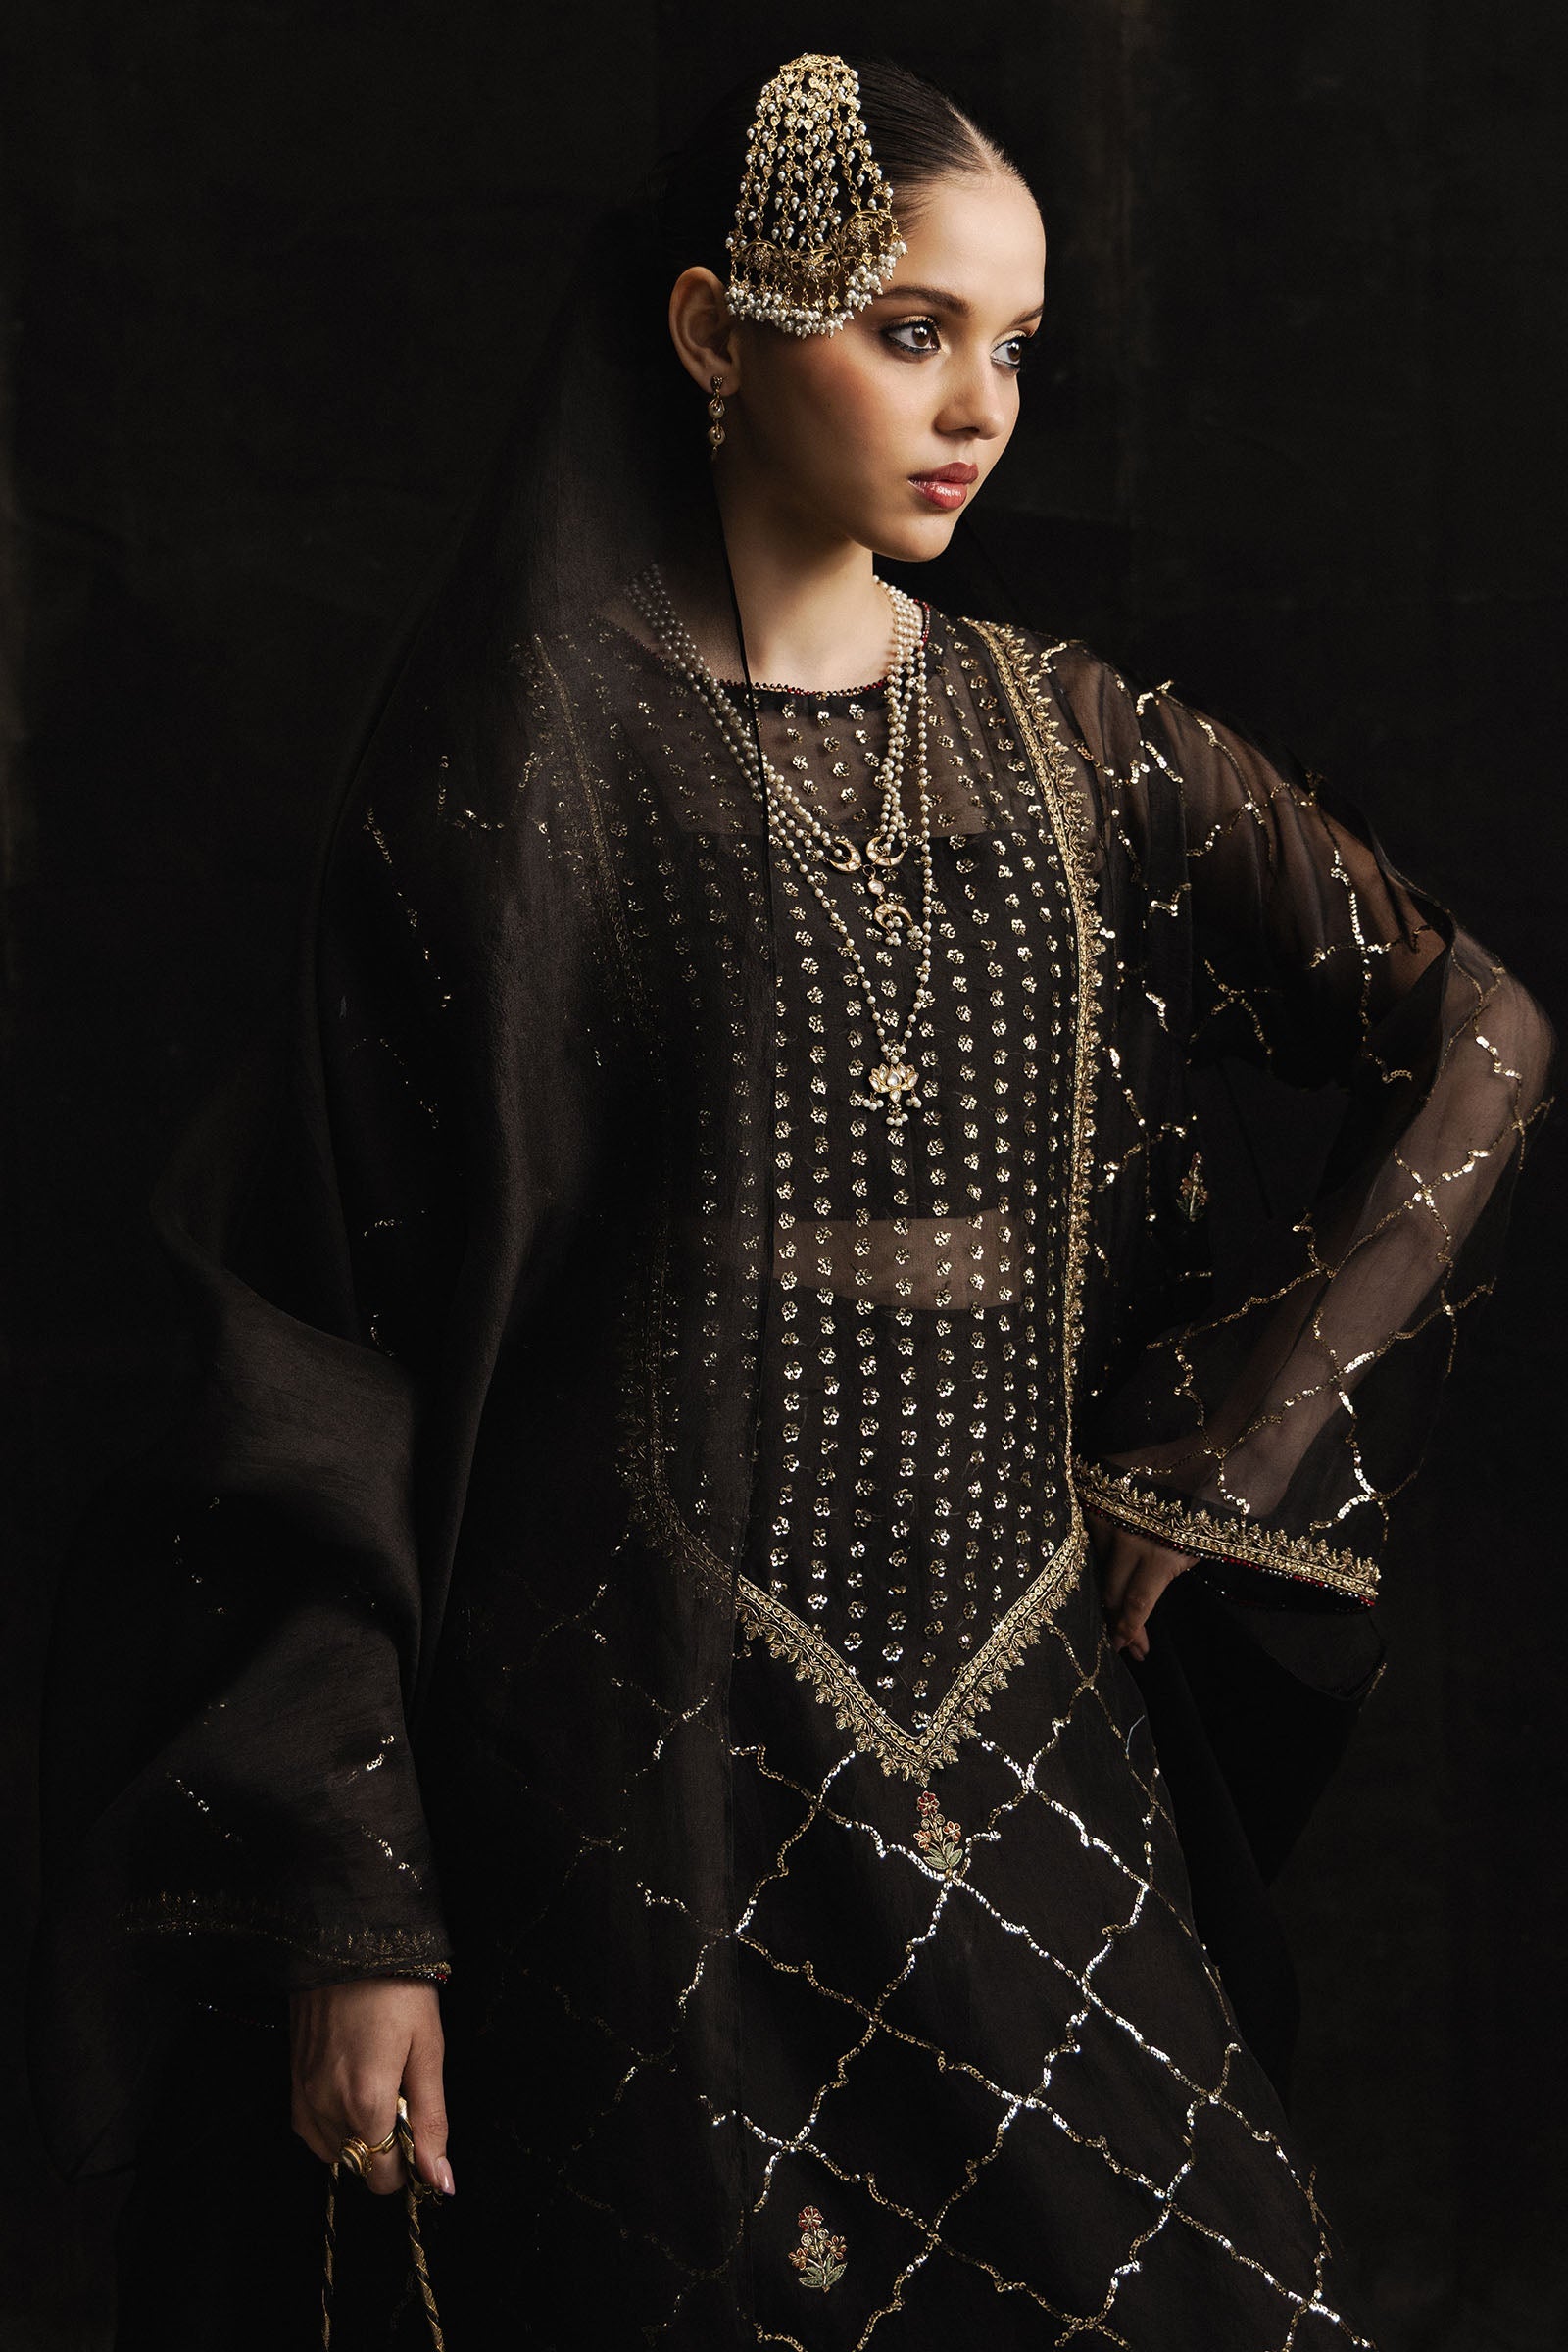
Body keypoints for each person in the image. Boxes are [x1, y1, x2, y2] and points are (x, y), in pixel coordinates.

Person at [29, 51, 1553, 2351]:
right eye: (907, 330)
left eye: (1013, 346)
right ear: (710, 332)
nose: (975, 408)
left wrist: (1245, 1441)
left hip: (1015, 1727)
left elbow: (1478, 1033)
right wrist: (359, 1912)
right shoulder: (514, 773)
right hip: (625, 1775)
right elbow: (320, 1343)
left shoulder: (1084, 744)